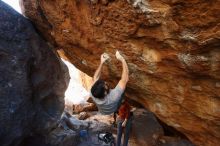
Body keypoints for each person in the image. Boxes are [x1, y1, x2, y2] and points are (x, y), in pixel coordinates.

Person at [90, 50, 129, 115]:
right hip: (114, 108)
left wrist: (102, 62)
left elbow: (95, 77)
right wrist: (122, 60)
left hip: (103, 111)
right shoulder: (114, 96)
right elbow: (125, 79)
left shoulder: (93, 93)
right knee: (122, 93)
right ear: (105, 93)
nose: (106, 82)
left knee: (119, 91)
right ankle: (119, 106)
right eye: (105, 85)